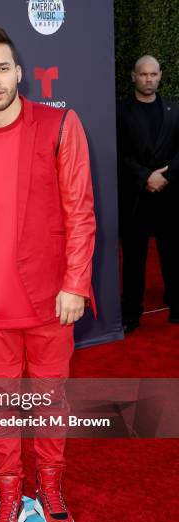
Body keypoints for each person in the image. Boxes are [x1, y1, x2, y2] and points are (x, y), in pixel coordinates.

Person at [0, 24, 96, 522]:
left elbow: (80, 210)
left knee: (50, 398)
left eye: (2, 68)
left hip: (52, 299)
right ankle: (9, 491)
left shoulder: (60, 124)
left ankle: (50, 485)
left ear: (19, 71)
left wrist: (76, 282)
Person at [117, 55, 179, 333]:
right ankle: (131, 313)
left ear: (161, 75)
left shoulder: (173, 109)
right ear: (133, 76)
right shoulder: (120, 112)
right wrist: (146, 177)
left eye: (154, 74)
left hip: (169, 196)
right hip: (136, 198)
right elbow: (118, 153)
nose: (149, 79)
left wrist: (166, 175)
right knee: (133, 259)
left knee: (173, 256)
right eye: (143, 74)